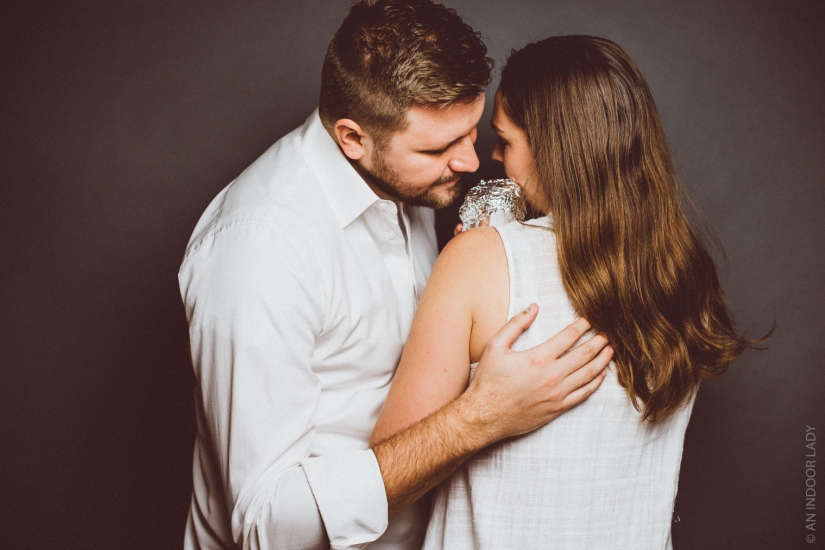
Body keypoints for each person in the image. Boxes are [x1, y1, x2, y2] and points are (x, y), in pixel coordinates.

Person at [178, 4, 612, 549]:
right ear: (352, 138)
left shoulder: (408, 182)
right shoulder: (261, 249)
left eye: (470, 134)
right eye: (436, 148)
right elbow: (267, 527)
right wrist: (478, 417)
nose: (470, 163)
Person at [372, 35, 755, 549]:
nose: (491, 154)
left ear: (552, 147)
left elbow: (381, 486)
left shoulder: (482, 260)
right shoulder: (681, 271)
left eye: (505, 141)